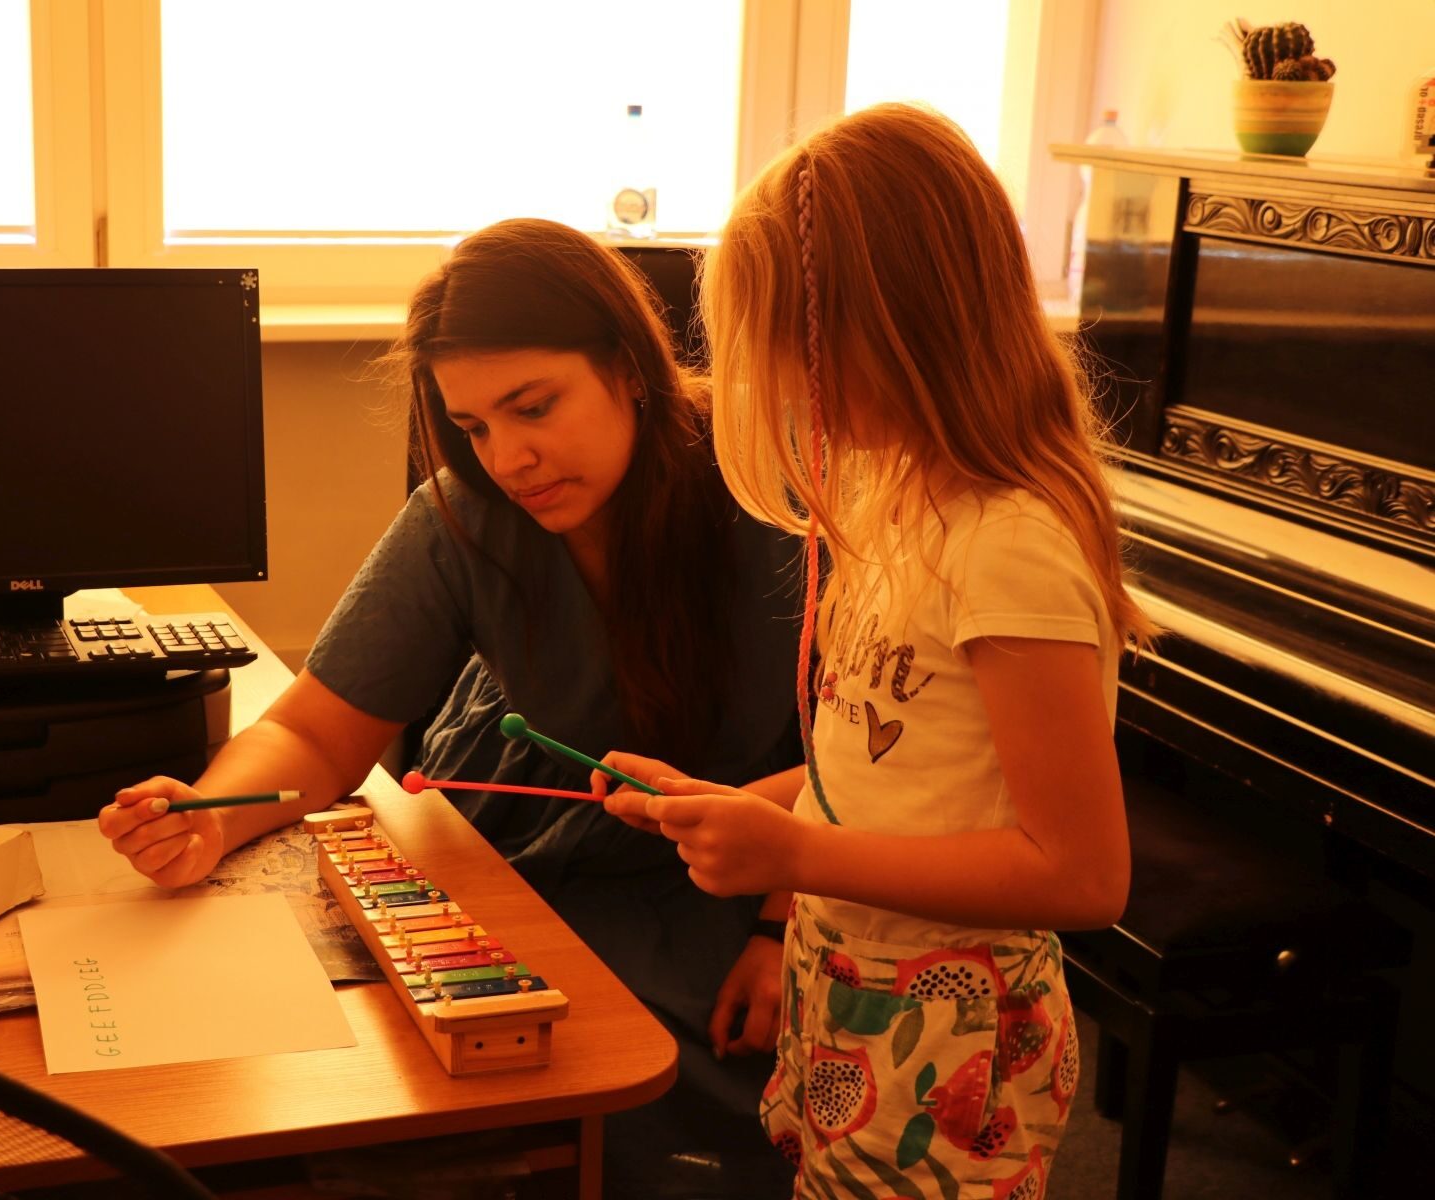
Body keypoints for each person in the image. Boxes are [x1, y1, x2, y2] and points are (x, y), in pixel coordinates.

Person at [100, 218, 804, 1198]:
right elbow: (313, 731)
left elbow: (869, 762)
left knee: (659, 1077)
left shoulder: (777, 490)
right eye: (473, 427)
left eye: (534, 408)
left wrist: (781, 926)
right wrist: (208, 818)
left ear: (628, 365)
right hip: (529, 844)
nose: (509, 458)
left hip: (755, 860)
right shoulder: (463, 513)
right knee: (385, 1059)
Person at [596, 104, 1157, 1198]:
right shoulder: (895, 495)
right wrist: (735, 807)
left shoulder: (1008, 546)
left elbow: (1083, 874)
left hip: (955, 1025)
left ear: (896, 326)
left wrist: (794, 857)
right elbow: (897, 771)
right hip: (855, 985)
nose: (783, 385)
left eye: (794, 351)